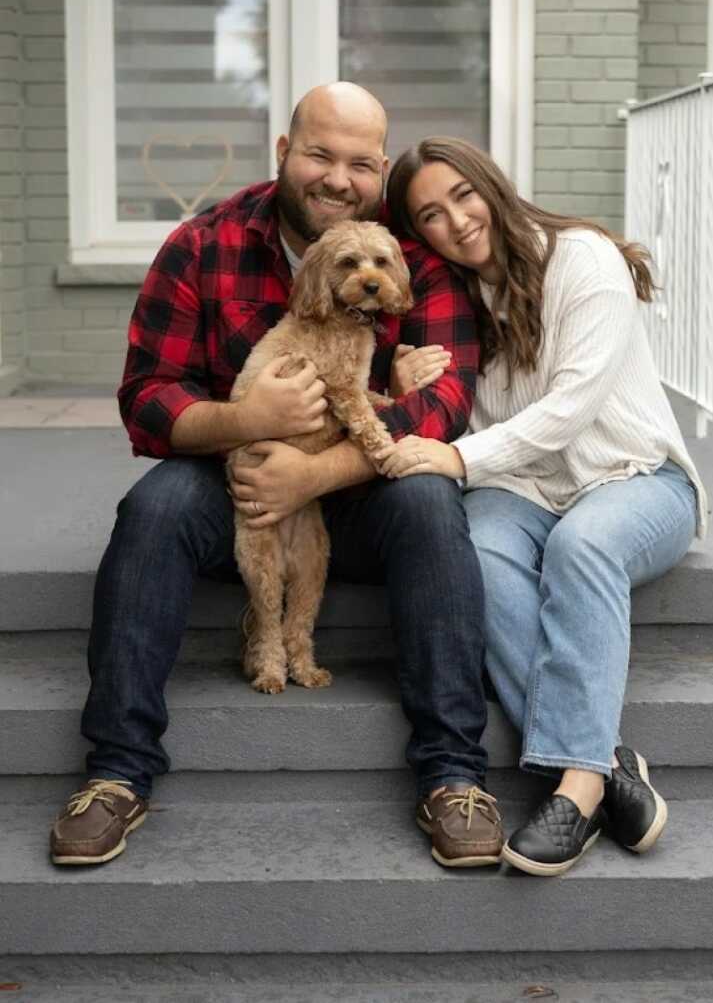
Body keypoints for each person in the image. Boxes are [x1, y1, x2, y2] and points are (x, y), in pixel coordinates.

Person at [49, 85, 505, 871]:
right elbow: (148, 396)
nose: (340, 178)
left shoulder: (408, 257)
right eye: (321, 154)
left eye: (361, 163)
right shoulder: (204, 244)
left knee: (431, 498)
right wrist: (248, 422)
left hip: (361, 490)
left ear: (380, 171)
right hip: (239, 480)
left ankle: (454, 775)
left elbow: (448, 403)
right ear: (285, 152)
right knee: (154, 507)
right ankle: (118, 769)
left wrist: (315, 472)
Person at [380, 136, 708, 876]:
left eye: (463, 196)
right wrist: (408, 382)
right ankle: (609, 761)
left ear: (491, 185)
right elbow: (454, 409)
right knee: (481, 554)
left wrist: (458, 457)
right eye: (430, 214)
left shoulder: (583, 259)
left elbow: (568, 408)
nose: (457, 221)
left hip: (637, 480)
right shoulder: (451, 299)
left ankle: (578, 788)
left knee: (581, 546)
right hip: (525, 491)